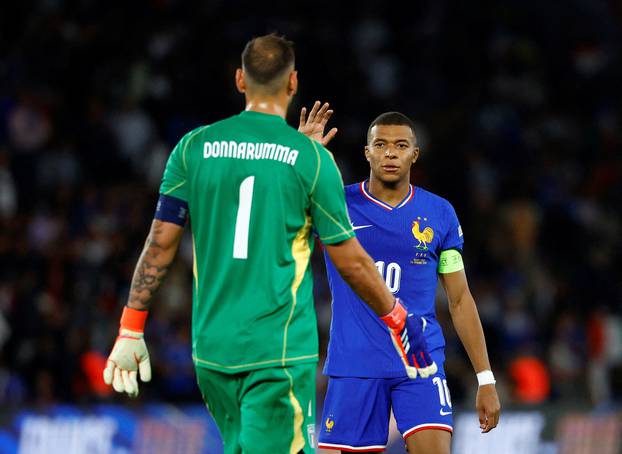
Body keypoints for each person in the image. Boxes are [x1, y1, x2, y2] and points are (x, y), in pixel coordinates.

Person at [101, 34, 436, 454]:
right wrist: (398, 318)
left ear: (240, 79)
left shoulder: (193, 147)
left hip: (211, 354)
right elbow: (350, 261)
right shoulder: (310, 160)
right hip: (275, 355)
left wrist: (130, 329)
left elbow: (159, 244)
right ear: (293, 83)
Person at [316, 112, 501, 453]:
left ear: (415, 154)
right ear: (366, 152)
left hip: (420, 362)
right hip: (355, 364)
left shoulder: (439, 212)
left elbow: (460, 300)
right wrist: (303, 157)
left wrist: (485, 378)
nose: (390, 153)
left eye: (400, 146)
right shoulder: (335, 203)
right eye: (381, 145)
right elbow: (277, 213)